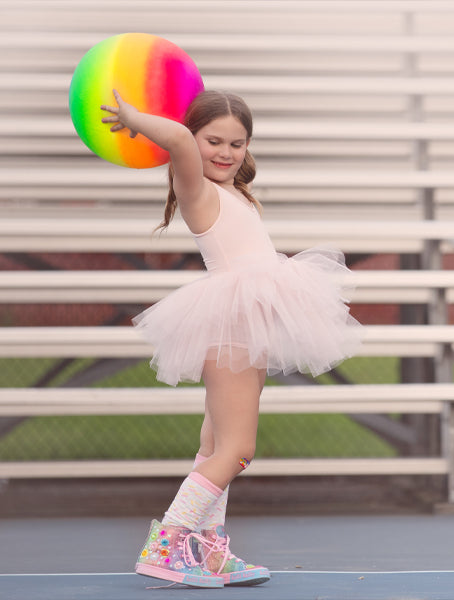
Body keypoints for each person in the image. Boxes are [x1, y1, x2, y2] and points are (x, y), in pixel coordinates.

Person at [101, 89, 363, 588]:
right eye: (213, 141)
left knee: (215, 445)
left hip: (248, 325)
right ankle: (168, 542)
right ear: (193, 141)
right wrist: (135, 118)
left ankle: (209, 550)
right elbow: (178, 139)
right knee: (238, 451)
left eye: (236, 143)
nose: (224, 152)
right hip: (232, 327)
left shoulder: (235, 193)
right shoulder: (196, 189)